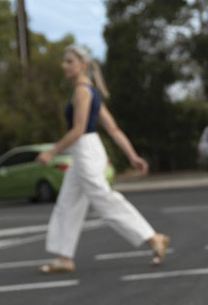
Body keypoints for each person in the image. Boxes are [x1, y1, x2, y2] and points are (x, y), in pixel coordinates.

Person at [37, 45, 169, 273]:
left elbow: (78, 130)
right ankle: (64, 258)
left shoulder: (82, 92)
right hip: (87, 151)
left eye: (69, 61)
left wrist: (52, 152)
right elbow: (114, 129)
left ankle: (152, 237)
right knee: (68, 202)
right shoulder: (91, 91)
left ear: (83, 65)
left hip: (86, 150)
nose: (64, 65)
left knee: (104, 200)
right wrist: (132, 155)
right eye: (64, 61)